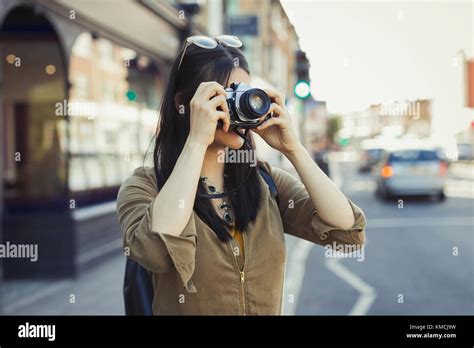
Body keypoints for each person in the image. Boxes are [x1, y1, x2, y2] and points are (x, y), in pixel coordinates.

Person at [116, 35, 366, 315]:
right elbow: (155, 251)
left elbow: (346, 229)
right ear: (184, 103)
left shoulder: (264, 182)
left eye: (243, 93)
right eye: (224, 96)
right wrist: (197, 141)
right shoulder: (146, 187)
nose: (237, 106)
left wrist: (293, 149)